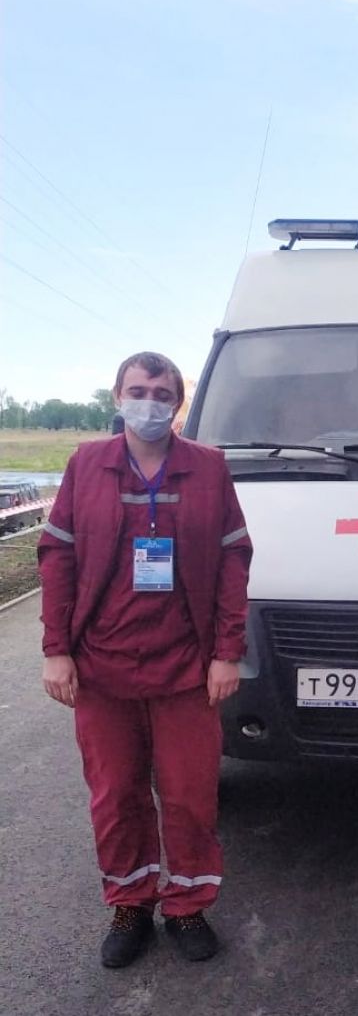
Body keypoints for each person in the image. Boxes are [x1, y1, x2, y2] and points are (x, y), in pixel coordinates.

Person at [39, 352, 252, 968]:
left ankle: (186, 906)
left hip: (186, 669)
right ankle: (129, 903)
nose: (149, 403)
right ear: (117, 396)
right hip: (102, 668)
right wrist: (56, 650)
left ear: (178, 404)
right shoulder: (86, 465)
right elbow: (57, 557)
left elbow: (234, 560)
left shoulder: (208, 468)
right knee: (116, 796)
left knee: (189, 796)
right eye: (138, 390)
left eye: (162, 394)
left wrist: (227, 653)